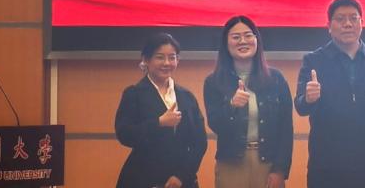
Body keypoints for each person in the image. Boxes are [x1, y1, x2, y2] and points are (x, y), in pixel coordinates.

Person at [295, 0, 365, 188]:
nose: (348, 24)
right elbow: (301, 107)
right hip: (326, 165)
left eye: (353, 18)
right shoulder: (314, 60)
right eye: (340, 19)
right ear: (329, 26)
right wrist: (309, 99)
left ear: (362, 23)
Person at [203, 16, 293, 188]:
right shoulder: (214, 81)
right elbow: (215, 124)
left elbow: (285, 129)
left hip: (268, 163)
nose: (243, 41)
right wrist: (232, 106)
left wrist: (280, 170)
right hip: (231, 165)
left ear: (256, 39)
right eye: (236, 37)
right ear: (226, 43)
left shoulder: (276, 78)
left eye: (248, 35)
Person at [115, 32, 207, 188]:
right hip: (142, 178)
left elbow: (200, 142)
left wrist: (181, 176)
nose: (167, 63)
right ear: (146, 60)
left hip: (182, 180)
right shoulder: (134, 93)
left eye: (172, 57)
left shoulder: (187, 96)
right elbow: (124, 134)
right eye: (160, 57)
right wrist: (158, 123)